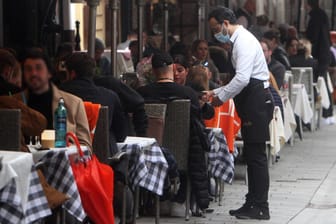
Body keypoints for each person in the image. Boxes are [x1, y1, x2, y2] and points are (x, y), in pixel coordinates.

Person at [206, 7, 274, 220]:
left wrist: (221, 96)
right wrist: (214, 92)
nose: (215, 34)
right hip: (252, 99)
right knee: (253, 155)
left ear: (225, 23)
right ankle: (252, 201)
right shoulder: (239, 40)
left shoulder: (243, 41)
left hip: (256, 99)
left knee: (256, 156)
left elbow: (243, 78)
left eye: (216, 28)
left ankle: (260, 206)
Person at [137, 51, 210, 216]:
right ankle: (181, 201)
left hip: (151, 152)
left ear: (153, 71)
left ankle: (151, 199)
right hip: (183, 152)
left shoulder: (142, 93)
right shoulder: (188, 94)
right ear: (171, 68)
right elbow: (199, 124)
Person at [14, 48, 92, 148]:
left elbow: (86, 146)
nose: (33, 73)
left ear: (49, 72)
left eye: (38, 68)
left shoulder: (73, 104)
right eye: (28, 69)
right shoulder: (14, 103)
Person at [60, 52, 128, 154]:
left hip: (67, 156)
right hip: (103, 158)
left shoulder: (58, 96)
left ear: (72, 73)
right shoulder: (110, 96)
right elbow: (121, 135)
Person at [306, 0, 334, 123]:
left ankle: (327, 113)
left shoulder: (315, 17)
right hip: (324, 54)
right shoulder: (322, 15)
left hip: (320, 55)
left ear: (308, 5)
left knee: (321, 82)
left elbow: (314, 38)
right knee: (323, 82)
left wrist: (311, 54)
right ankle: (327, 112)